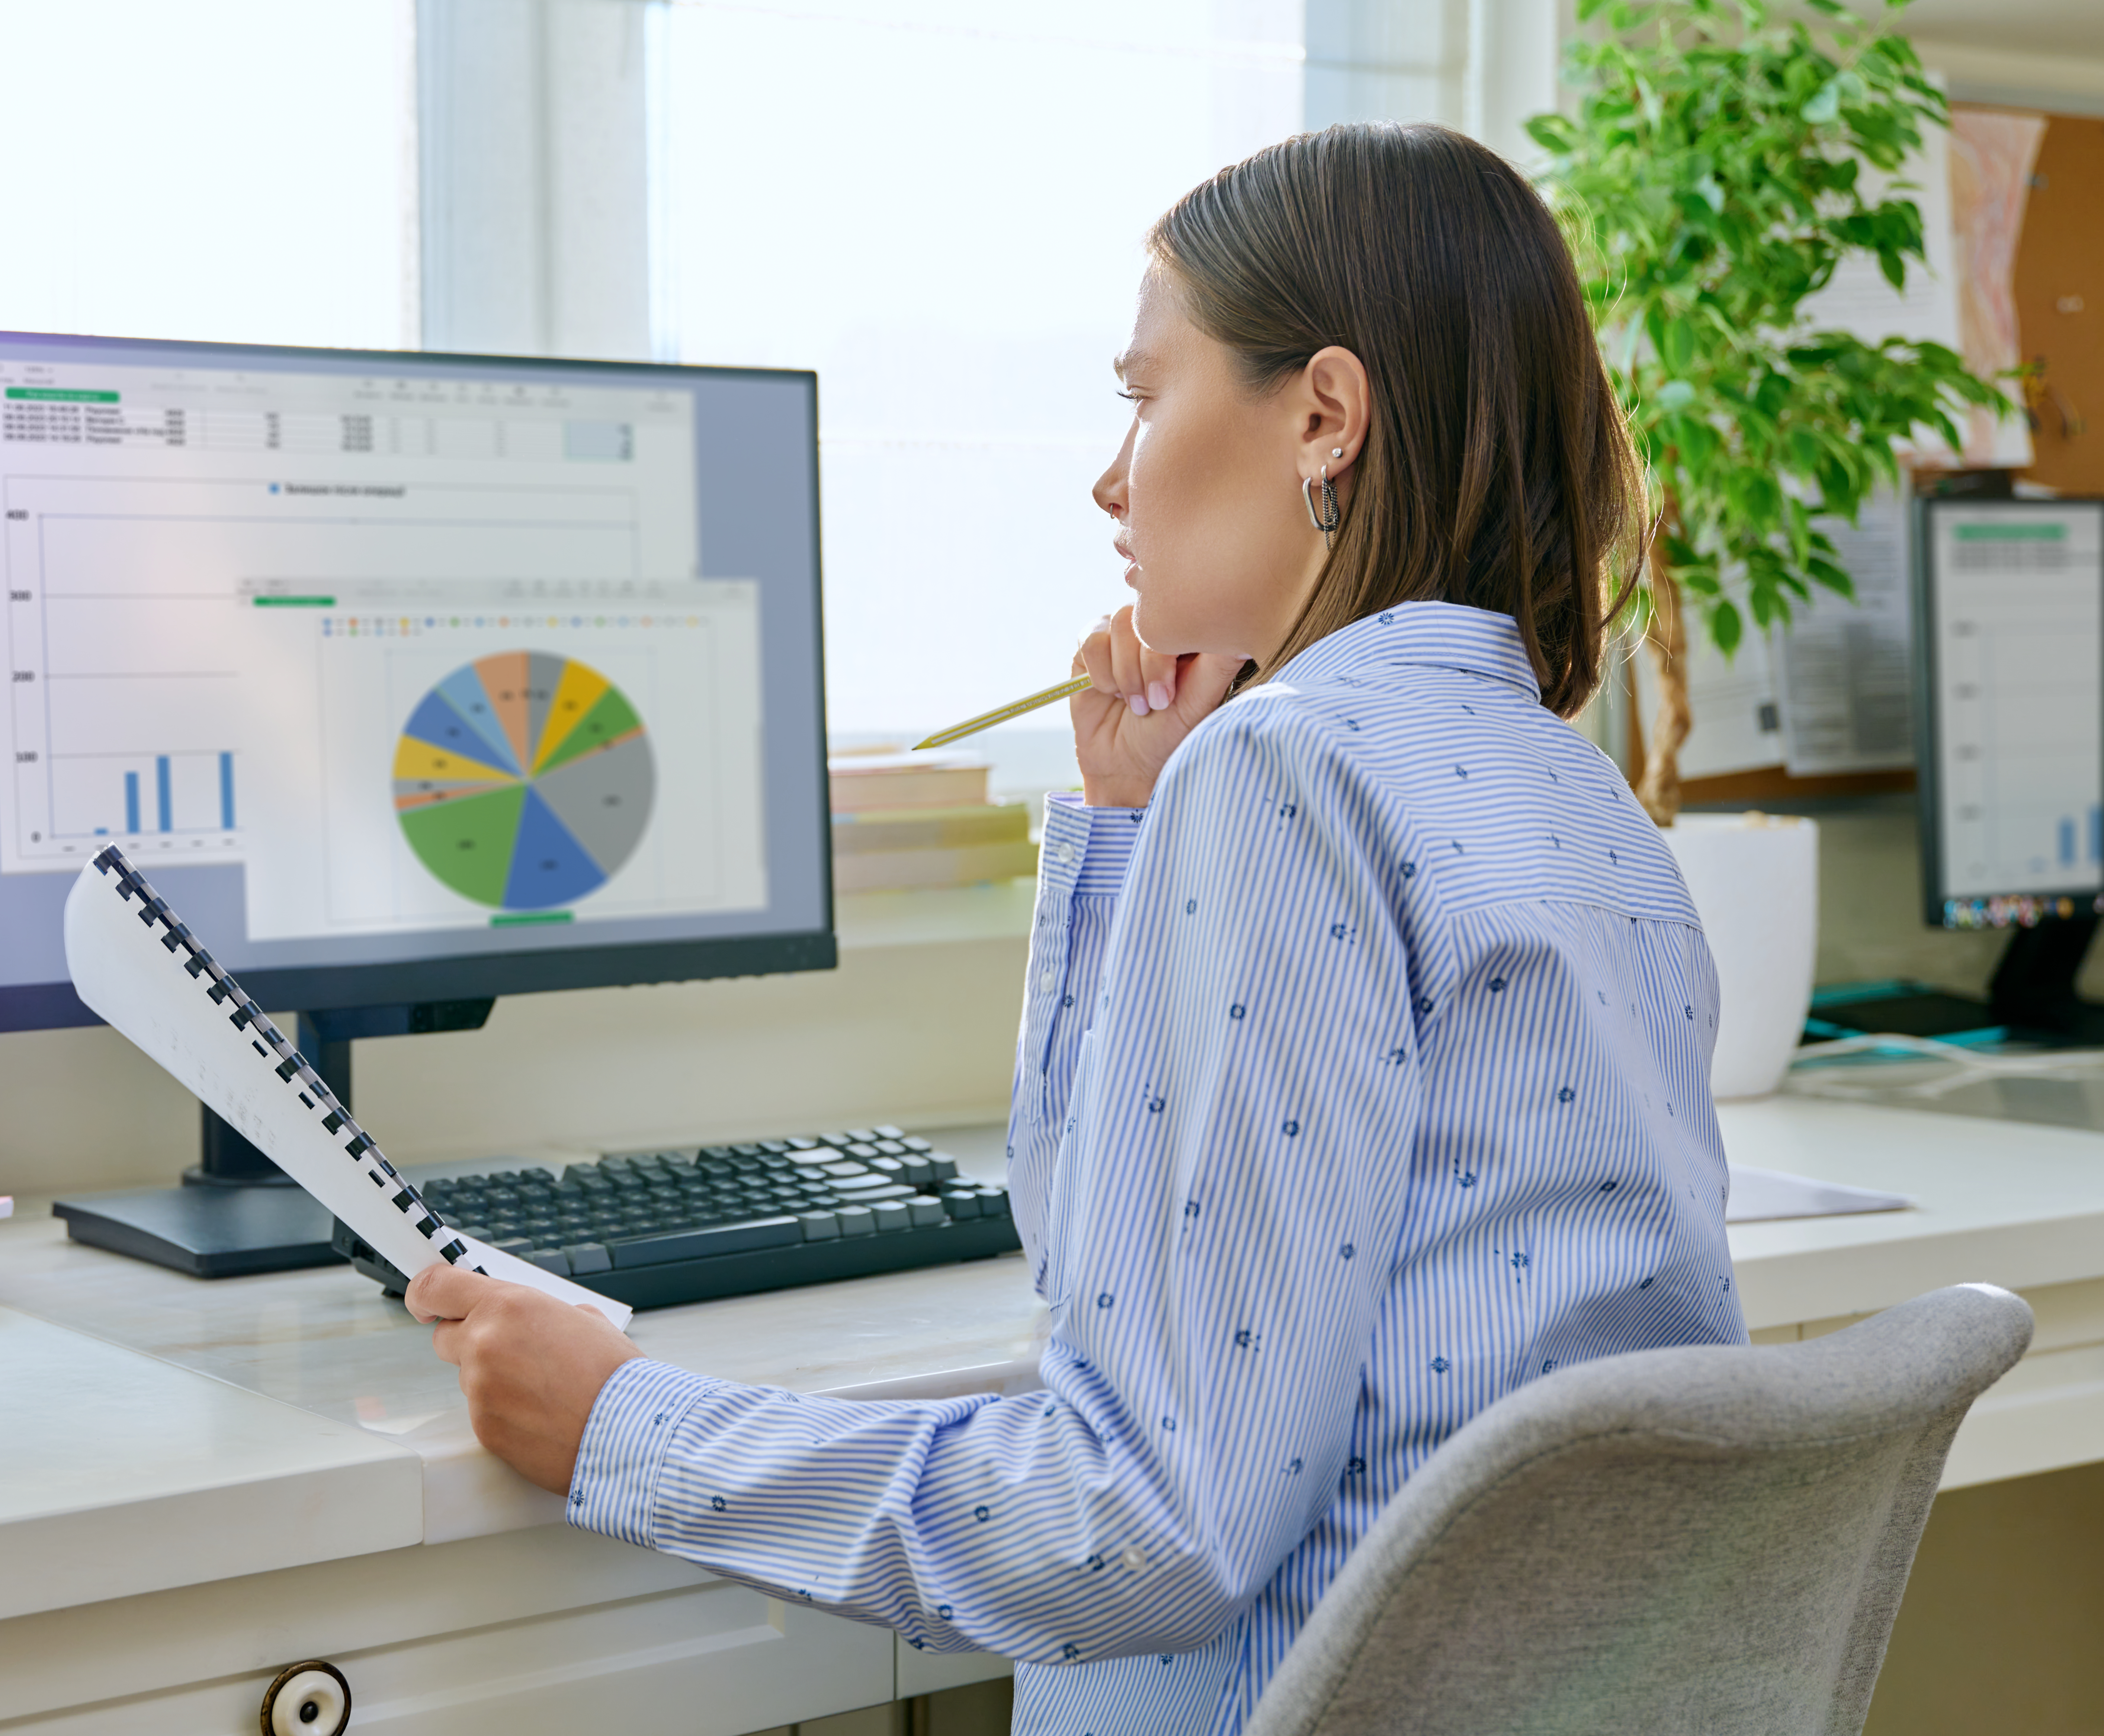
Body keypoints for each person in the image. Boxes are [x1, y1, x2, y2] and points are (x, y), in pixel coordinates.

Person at [406, 121, 1746, 1735]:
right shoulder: (1571, 788)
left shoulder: (1292, 765)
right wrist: (1124, 834)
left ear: (1322, 414)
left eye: (1140, 396)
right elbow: (1114, 1272)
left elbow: (1141, 1525)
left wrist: (625, 1424)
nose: (1108, 477)